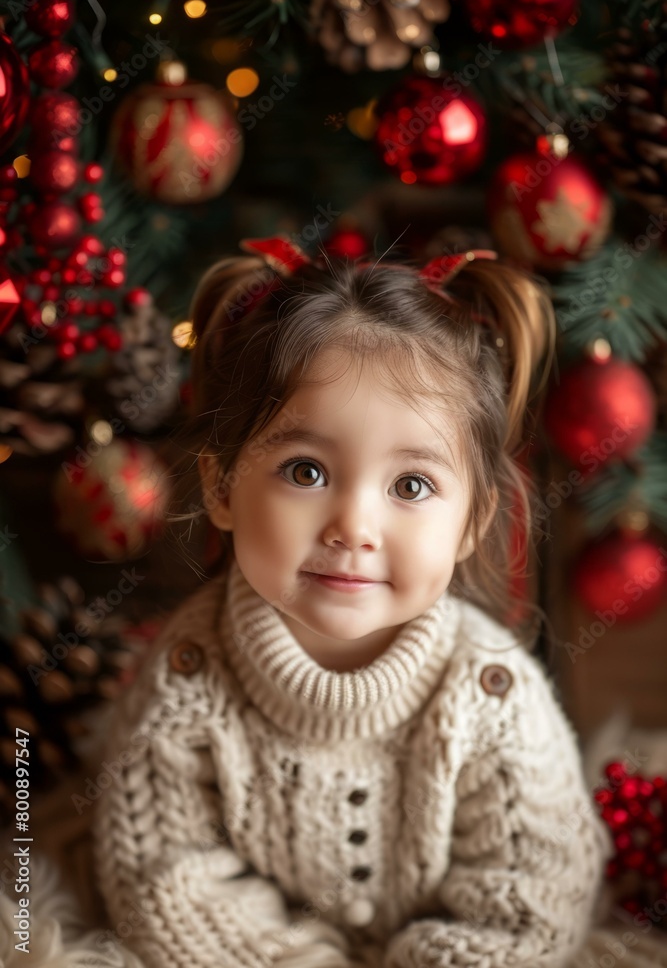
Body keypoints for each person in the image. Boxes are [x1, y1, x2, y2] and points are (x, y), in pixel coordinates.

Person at [91, 234, 612, 968]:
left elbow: (533, 897)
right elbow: (163, 879)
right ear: (220, 487)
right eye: (305, 470)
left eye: (410, 486)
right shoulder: (185, 679)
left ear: (472, 523)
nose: (353, 529)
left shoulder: (491, 695)